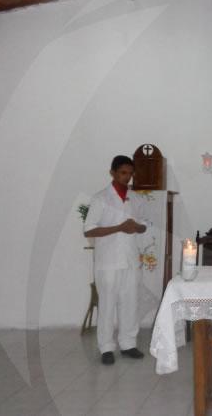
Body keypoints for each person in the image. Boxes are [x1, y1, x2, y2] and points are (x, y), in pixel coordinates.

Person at [84, 156, 148, 365]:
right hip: (108, 261)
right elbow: (89, 229)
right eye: (123, 173)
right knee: (108, 304)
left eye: (130, 173)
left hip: (130, 259)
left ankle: (128, 344)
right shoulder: (100, 198)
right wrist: (119, 228)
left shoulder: (136, 198)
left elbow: (144, 225)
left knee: (130, 302)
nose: (127, 177)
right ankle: (106, 347)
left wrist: (135, 227)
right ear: (112, 173)